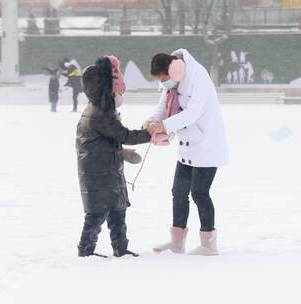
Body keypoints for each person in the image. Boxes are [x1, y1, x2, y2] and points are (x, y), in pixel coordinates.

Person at [146, 49, 229, 256]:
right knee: (179, 192)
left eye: (164, 79)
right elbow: (163, 105)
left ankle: (209, 244)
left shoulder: (198, 77)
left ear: (174, 70)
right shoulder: (174, 80)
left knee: (200, 193)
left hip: (207, 144)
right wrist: (151, 122)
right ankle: (177, 242)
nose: (163, 84)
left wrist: (163, 126)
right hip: (188, 144)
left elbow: (192, 113)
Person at [76, 56, 151, 258]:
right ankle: (86, 249)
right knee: (96, 214)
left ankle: (121, 247)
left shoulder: (99, 110)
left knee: (117, 210)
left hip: (105, 170)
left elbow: (103, 140)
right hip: (99, 174)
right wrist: (150, 134)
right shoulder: (100, 113)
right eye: (116, 89)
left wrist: (122, 153)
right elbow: (123, 134)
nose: (119, 93)